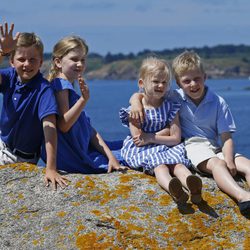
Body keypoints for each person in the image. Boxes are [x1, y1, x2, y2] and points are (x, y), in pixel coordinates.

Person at [130, 51, 250, 216]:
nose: (193, 84)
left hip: (215, 146)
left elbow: (227, 138)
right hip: (193, 145)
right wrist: (135, 102)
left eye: (197, 78)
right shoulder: (175, 97)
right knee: (218, 164)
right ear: (179, 83)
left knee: (246, 165)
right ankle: (242, 196)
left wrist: (230, 160)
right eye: (186, 81)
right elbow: (145, 93)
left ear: (205, 77)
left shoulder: (218, 102)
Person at [120, 57, 203, 204]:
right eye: (155, 81)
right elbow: (138, 140)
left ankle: (191, 184)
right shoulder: (135, 110)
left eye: (164, 82)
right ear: (142, 83)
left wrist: (152, 137)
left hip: (167, 147)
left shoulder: (170, 107)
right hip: (145, 151)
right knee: (160, 166)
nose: (160, 85)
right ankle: (173, 188)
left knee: (178, 165)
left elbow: (176, 138)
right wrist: (163, 132)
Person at [41, 35, 127, 174]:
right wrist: (83, 100)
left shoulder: (66, 84)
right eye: (74, 59)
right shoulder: (61, 85)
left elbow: (89, 130)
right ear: (58, 62)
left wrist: (110, 156)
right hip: (75, 155)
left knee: (128, 146)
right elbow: (64, 125)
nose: (80, 64)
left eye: (82, 60)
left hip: (82, 149)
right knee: (134, 151)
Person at [0, 22, 68, 190]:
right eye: (21, 59)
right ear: (11, 61)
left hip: (23, 157)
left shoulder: (43, 89)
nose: (27, 64)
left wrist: (51, 167)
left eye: (32, 60)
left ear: (40, 62)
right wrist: (2, 51)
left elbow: (49, 126)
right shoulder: (10, 77)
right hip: (3, 146)